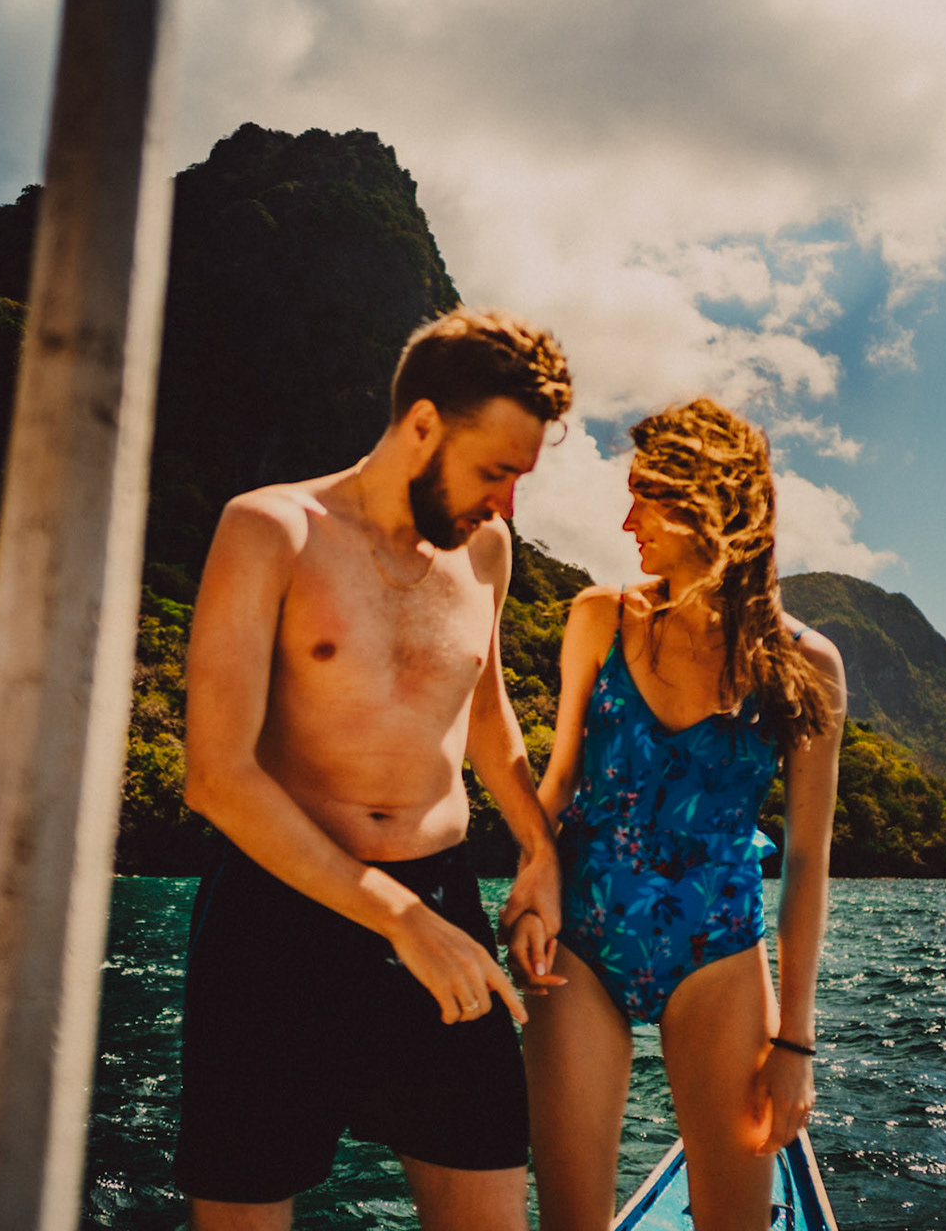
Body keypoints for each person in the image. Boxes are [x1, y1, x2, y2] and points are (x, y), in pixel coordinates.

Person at [174, 307, 573, 1231]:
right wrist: (400, 923)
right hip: (276, 922)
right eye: (496, 471)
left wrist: (538, 851)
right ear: (424, 424)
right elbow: (216, 777)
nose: (507, 503)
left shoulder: (488, 552)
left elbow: (484, 710)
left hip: (442, 904)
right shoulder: (272, 529)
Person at [522, 398, 845, 1231]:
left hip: (719, 961)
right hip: (581, 947)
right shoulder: (600, 618)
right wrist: (530, 877)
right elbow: (556, 786)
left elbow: (807, 860)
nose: (627, 520)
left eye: (646, 497)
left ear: (707, 506)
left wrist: (797, 1046)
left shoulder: (806, 666)